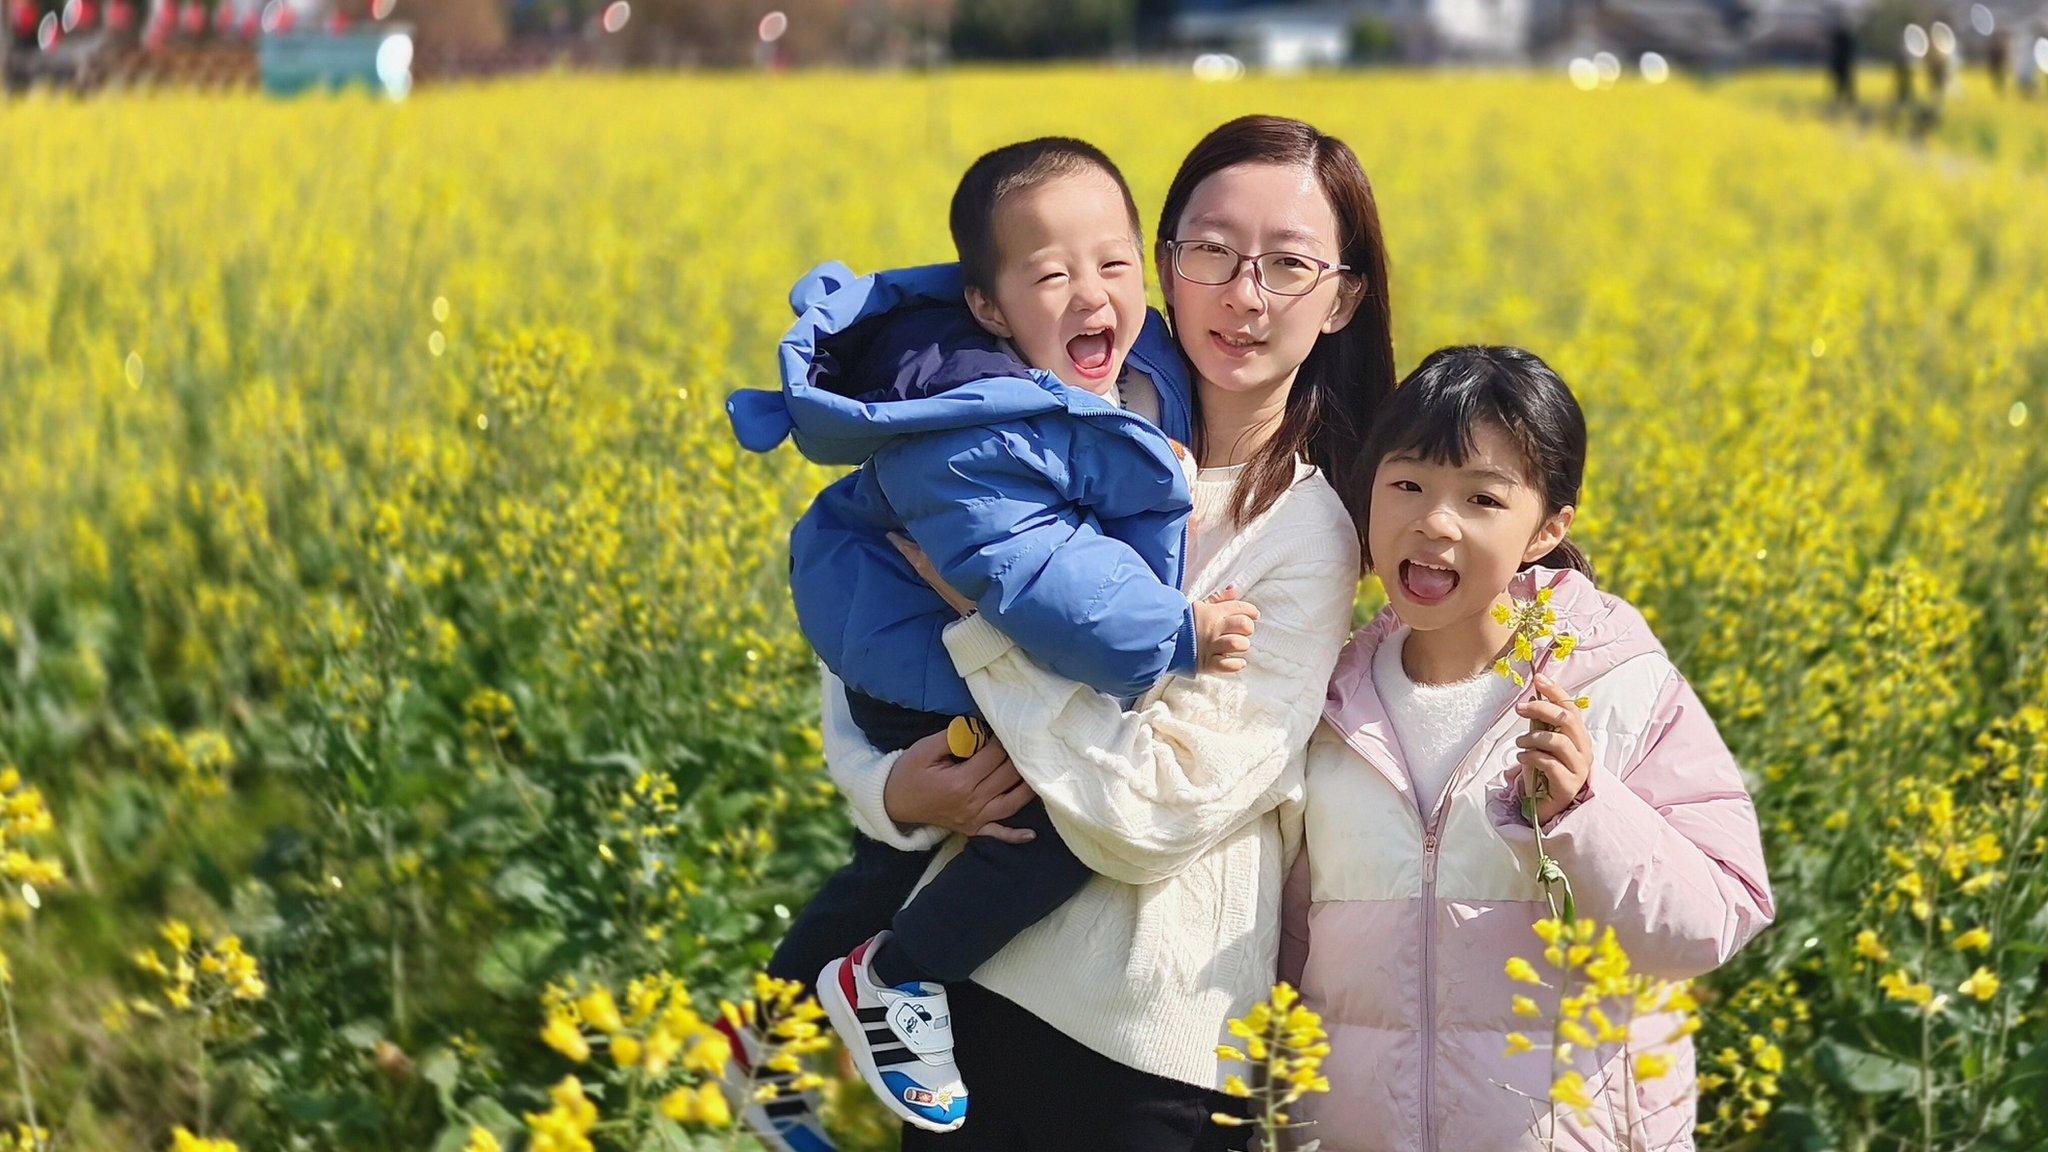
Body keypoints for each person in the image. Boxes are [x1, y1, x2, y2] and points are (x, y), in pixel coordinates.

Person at [826, 114, 1395, 1151]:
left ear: (1342, 297)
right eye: (1211, 251)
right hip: (967, 996)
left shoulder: (1307, 529)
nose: (1242, 293)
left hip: (1149, 1043)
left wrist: (984, 625)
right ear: (1163, 264)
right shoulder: (1054, 421)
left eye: (1286, 263)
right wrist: (890, 789)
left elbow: (1158, 810)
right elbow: (870, 656)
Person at [724, 137, 1261, 1141]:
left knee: (895, 859)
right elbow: (1045, 580)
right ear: (987, 306)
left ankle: (771, 1028)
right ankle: (893, 976)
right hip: (918, 670)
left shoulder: (1119, 382)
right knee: (1056, 821)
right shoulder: (972, 426)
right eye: (1050, 275)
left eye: (1113, 266)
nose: (1092, 294)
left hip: (927, 655)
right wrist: (1175, 631)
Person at [1280, 345, 1776, 1150]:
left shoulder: (1615, 685)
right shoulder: (1328, 704)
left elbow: (1714, 920)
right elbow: (1292, 959)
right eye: (1406, 484)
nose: (1434, 522)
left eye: (1482, 498)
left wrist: (1589, 809)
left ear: (1548, 528)